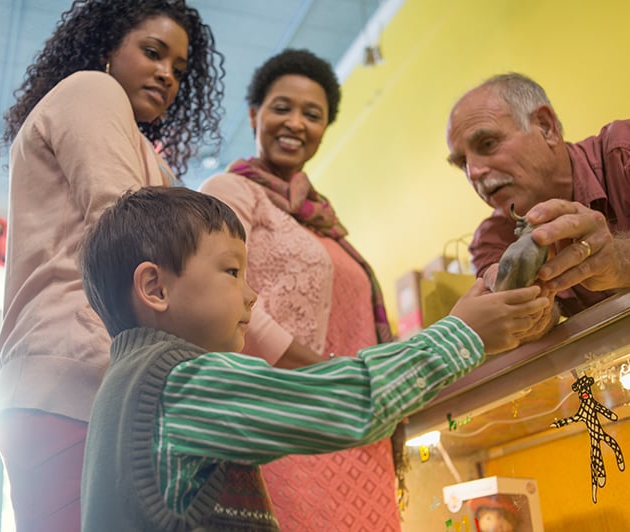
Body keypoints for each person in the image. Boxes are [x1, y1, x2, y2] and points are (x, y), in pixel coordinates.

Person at [78, 185, 548, 531]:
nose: (252, 295)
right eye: (232, 271)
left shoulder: (124, 387)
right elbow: (351, 400)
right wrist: (461, 333)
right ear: (155, 288)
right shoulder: (183, 381)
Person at [0, 1, 224, 530]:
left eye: (179, 69)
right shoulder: (90, 91)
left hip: (93, 380)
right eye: (152, 52)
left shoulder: (146, 151)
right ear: (104, 48)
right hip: (74, 373)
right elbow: (129, 228)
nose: (167, 74)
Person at [199, 48, 400, 529]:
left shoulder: (325, 221)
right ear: (255, 115)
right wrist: (328, 373)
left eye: (313, 114)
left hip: (358, 427)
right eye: (281, 107)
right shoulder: (232, 192)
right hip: (283, 421)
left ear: (324, 128)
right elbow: (220, 294)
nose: (295, 123)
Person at [446, 72, 630, 342]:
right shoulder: (491, 240)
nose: (473, 172)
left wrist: (619, 260)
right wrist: (526, 315)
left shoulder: (623, 154)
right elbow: (536, 327)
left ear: (546, 126)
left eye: (487, 144)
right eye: (462, 163)